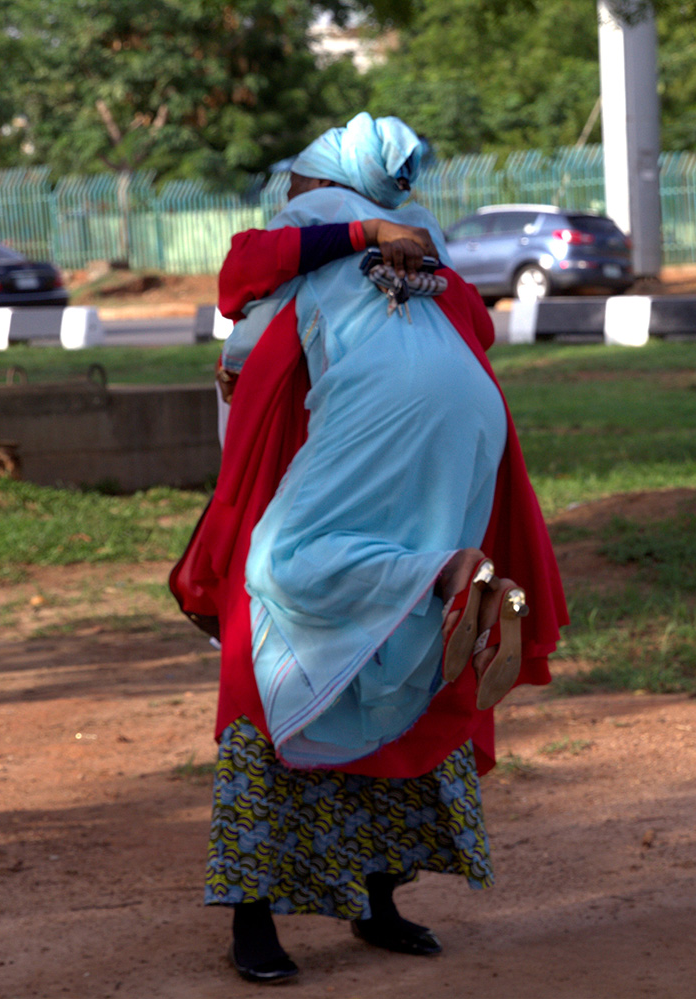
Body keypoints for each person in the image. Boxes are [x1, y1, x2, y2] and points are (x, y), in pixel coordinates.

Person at [169, 112, 567, 985]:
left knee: (272, 662)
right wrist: (389, 244)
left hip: (345, 462)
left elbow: (240, 289)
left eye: (297, 188)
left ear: (320, 187)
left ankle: (255, 922)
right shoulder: (421, 260)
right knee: (410, 658)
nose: (288, 202)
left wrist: (349, 237)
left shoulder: (307, 247)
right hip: (465, 445)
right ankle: (379, 901)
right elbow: (476, 330)